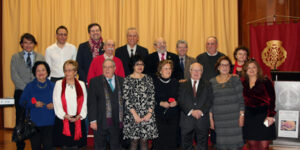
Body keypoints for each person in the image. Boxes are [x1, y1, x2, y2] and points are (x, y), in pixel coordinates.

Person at [10, 33, 45, 150]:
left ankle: (36, 144)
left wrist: (34, 87)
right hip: (21, 92)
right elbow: (14, 76)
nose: (28, 45)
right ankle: (20, 145)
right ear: (21, 44)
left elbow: (43, 74)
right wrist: (27, 88)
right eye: (25, 42)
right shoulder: (15, 57)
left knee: (36, 118)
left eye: (31, 42)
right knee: (20, 119)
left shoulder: (40, 56)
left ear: (34, 44)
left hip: (37, 92)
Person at [123, 55, 158, 150]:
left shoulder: (148, 79)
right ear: (132, 66)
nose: (140, 66)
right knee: (134, 141)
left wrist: (149, 113)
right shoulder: (127, 80)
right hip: (132, 115)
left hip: (147, 115)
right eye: (137, 64)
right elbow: (127, 99)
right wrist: (135, 115)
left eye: (142, 64)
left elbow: (152, 97)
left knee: (144, 141)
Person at [209, 56, 245, 150]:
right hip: (219, 120)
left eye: (227, 65)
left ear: (230, 67)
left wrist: (242, 116)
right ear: (218, 67)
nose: (224, 67)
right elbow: (210, 102)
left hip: (234, 119)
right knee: (222, 146)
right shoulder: (212, 82)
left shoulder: (235, 80)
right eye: (222, 65)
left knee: (235, 146)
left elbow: (241, 100)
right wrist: (211, 119)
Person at [88, 59, 124, 150]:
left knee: (116, 147)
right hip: (100, 121)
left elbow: (125, 102)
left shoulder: (122, 81)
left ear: (114, 68)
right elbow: (91, 102)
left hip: (117, 122)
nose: (107, 69)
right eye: (104, 67)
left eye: (109, 67)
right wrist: (92, 120)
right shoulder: (94, 81)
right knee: (100, 147)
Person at [19, 61, 55, 150]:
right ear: (35, 73)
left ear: (47, 72)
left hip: (49, 123)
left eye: (43, 70)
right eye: (38, 71)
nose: (41, 73)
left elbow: (61, 102)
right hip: (34, 124)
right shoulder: (29, 86)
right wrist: (33, 104)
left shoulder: (53, 86)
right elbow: (22, 102)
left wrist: (55, 105)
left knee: (48, 147)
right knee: (35, 147)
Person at [241, 59, 276, 150]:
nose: (251, 69)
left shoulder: (265, 81)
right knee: (252, 145)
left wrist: (270, 115)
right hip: (249, 117)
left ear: (258, 69)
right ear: (245, 70)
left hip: (264, 115)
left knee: (264, 146)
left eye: (254, 67)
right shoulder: (243, 83)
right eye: (248, 68)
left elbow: (272, 99)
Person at [196, 36, 225, 145]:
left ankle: (216, 141)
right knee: (205, 118)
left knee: (217, 117)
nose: (210, 46)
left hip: (219, 93)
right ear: (206, 45)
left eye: (212, 43)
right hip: (204, 93)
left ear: (217, 45)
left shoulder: (222, 57)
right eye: (208, 44)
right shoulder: (200, 57)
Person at [178, 62, 213, 150]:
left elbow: (210, 100)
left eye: (199, 70)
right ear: (190, 71)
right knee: (186, 146)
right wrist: (191, 111)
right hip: (187, 121)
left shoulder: (208, 84)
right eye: (194, 70)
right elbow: (180, 101)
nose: (196, 72)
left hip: (202, 120)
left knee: (202, 146)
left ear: (202, 72)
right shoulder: (182, 85)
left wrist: (201, 111)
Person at [53, 60, 87, 149]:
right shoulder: (58, 84)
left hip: (78, 120)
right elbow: (56, 102)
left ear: (75, 72)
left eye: (70, 70)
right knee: (65, 147)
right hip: (64, 120)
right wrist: (64, 115)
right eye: (65, 70)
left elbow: (85, 102)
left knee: (77, 147)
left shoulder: (82, 84)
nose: (67, 73)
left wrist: (80, 116)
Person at [152, 60, 179, 150]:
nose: (168, 70)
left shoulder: (175, 82)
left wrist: (177, 102)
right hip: (159, 116)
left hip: (173, 117)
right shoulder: (154, 82)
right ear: (160, 71)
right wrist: (160, 103)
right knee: (160, 142)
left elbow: (180, 97)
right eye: (166, 68)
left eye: (170, 68)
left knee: (171, 141)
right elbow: (150, 98)